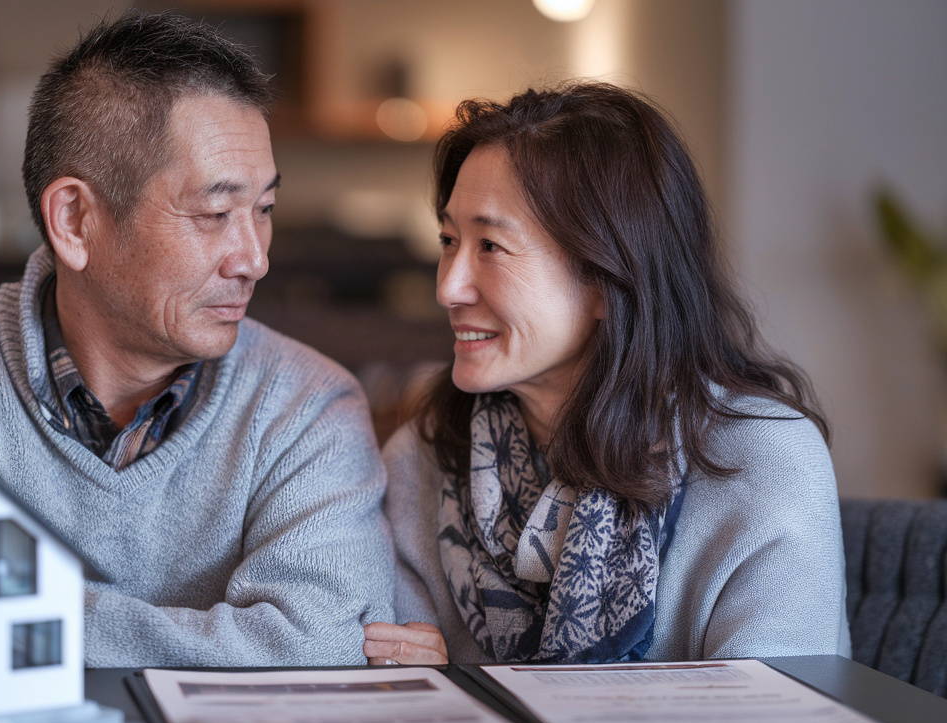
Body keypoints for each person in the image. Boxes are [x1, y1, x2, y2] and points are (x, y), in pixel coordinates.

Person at [0, 11, 393, 667]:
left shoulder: (308, 407)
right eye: (213, 213)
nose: (254, 258)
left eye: (263, 210)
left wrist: (13, 621)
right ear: (74, 220)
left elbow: (325, 641)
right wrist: (241, 638)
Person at [364, 82, 849, 666]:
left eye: (490, 245)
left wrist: (469, 688)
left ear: (607, 279)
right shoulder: (423, 458)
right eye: (448, 240)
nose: (447, 287)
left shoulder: (762, 460)